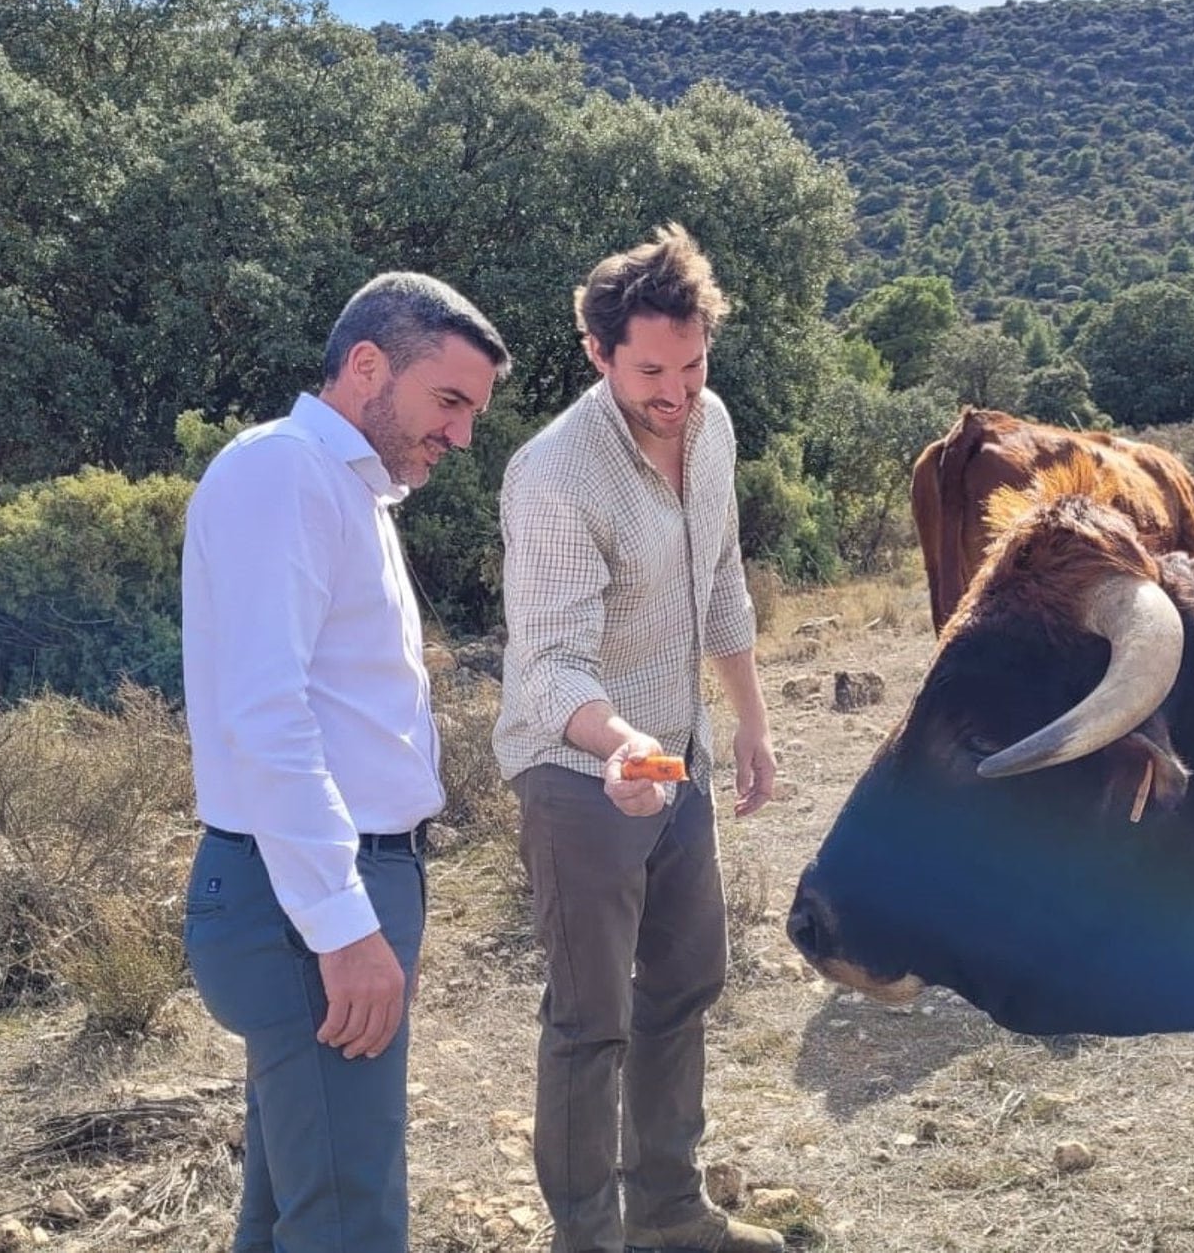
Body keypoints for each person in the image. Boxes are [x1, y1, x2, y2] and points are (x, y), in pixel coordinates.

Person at [181, 272, 511, 1253]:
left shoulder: (345, 488)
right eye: (448, 400)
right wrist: (341, 922)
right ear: (366, 363)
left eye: (472, 413)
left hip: (320, 884)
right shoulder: (284, 472)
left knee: (291, 1206)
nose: (459, 435)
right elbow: (266, 714)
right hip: (308, 897)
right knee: (347, 1218)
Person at [493, 223, 784, 1253]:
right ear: (599, 353)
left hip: (680, 757)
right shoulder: (554, 475)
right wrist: (620, 745)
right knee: (590, 1015)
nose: (678, 389)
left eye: (695, 362)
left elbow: (723, 579)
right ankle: (589, 1234)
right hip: (578, 769)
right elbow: (550, 664)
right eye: (653, 369)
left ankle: (669, 1210)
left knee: (683, 982)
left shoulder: (713, 427)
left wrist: (746, 720)